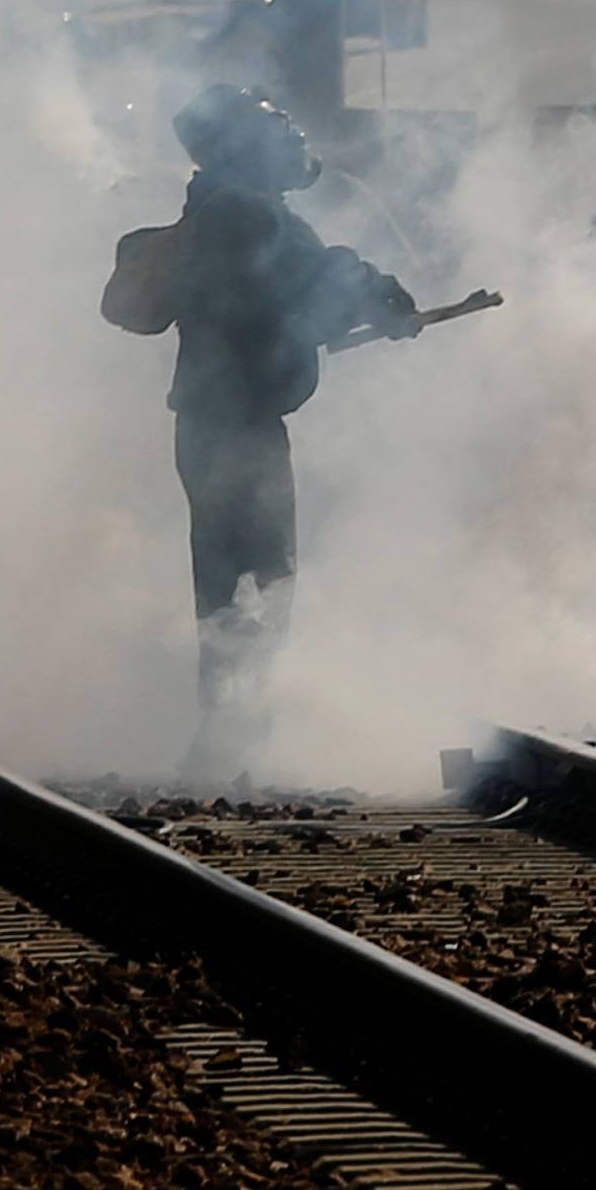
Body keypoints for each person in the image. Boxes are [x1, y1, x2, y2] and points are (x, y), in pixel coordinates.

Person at [157, 84, 419, 769]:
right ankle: (234, 738)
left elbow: (287, 305)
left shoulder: (217, 209)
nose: (291, 144)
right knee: (264, 579)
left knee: (226, 578)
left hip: (215, 420)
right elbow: (317, 277)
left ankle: (227, 734)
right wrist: (380, 290)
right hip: (238, 424)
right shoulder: (246, 212)